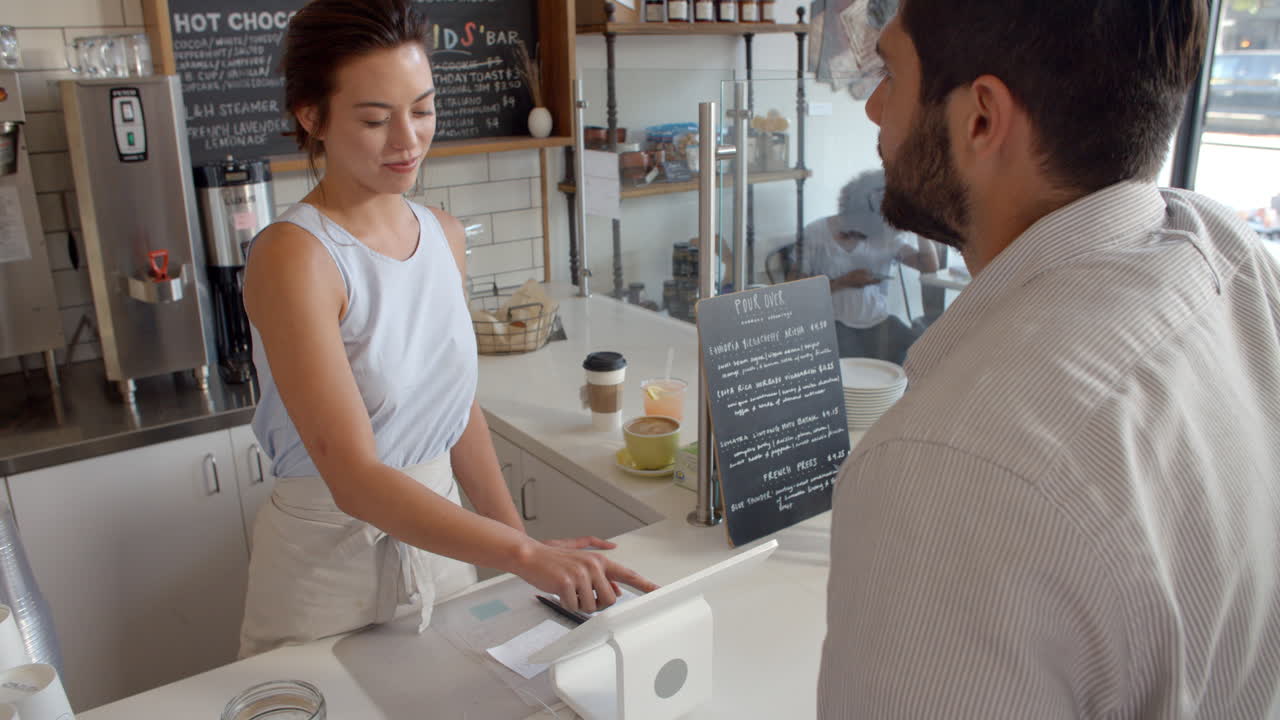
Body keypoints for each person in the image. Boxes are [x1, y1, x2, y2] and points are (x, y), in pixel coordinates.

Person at [819, 1, 1280, 717]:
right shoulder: (1232, 257)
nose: (875, 108)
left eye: (894, 73)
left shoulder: (946, 465)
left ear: (980, 119)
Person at [239, 0, 655, 658]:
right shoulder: (295, 256)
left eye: (423, 109)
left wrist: (524, 551)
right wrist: (520, 552)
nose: (407, 141)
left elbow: (457, 411)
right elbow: (354, 478)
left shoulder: (443, 236)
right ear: (311, 116)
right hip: (327, 569)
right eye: (375, 119)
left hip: (446, 546)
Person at [789, 169, 937, 363]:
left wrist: (920, 225)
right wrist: (843, 282)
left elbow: (929, 266)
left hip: (878, 321)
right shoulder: (816, 233)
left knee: (926, 354)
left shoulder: (884, 232)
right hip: (833, 323)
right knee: (858, 369)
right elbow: (793, 289)